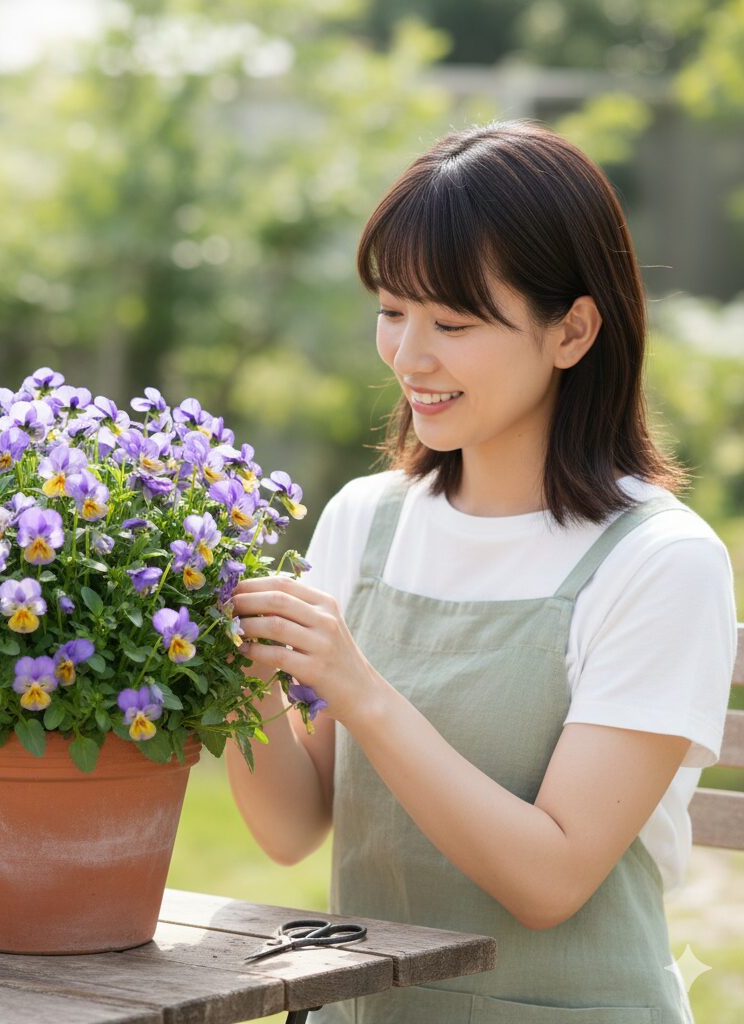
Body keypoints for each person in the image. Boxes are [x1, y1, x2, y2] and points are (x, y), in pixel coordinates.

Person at [224, 118, 737, 1023]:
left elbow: (551, 880)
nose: (409, 356)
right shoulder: (365, 521)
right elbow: (291, 827)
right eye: (392, 311)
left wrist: (361, 688)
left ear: (573, 330)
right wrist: (243, 677)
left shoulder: (661, 561)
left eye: (453, 323)